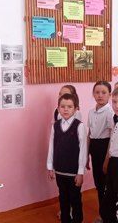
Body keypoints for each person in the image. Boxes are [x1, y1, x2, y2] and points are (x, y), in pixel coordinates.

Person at [47, 93, 87, 223]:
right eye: (62, 106)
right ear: (58, 108)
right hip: (59, 171)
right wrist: (50, 167)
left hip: (74, 172)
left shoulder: (79, 126)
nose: (65, 109)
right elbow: (51, 147)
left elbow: (83, 150)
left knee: (75, 199)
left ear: (76, 109)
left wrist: (80, 172)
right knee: (63, 198)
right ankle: (65, 219)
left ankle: (77, 220)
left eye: (69, 106)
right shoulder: (55, 126)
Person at [87, 81, 114, 223]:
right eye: (97, 92)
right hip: (94, 148)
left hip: (105, 148)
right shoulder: (91, 112)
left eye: (103, 92)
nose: (100, 95)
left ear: (109, 94)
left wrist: (106, 159)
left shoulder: (110, 112)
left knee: (106, 184)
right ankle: (102, 212)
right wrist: (86, 155)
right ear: (93, 94)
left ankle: (106, 214)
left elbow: (112, 137)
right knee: (98, 183)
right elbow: (89, 134)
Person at [100, 87, 118, 223]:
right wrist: (107, 160)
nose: (116, 106)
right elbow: (112, 141)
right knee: (109, 198)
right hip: (113, 162)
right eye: (114, 102)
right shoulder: (115, 118)